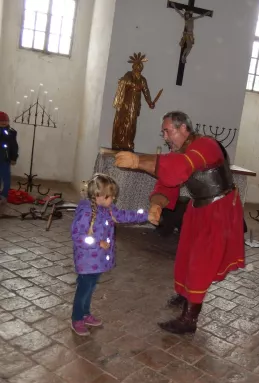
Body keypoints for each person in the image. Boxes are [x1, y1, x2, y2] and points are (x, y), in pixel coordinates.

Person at [115, 111, 245, 334]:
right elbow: (168, 182)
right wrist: (157, 204)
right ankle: (185, 293)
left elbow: (180, 167)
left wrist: (139, 161)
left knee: (200, 262)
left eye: (169, 131)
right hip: (199, 208)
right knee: (186, 254)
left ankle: (189, 319)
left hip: (219, 210)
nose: (165, 137)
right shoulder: (182, 151)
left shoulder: (206, 145)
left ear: (184, 128)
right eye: (163, 132)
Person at [70, 173, 154, 336]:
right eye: (110, 196)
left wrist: (146, 215)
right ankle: (77, 318)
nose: (113, 199)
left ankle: (85, 314)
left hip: (97, 260)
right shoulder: (86, 212)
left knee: (90, 288)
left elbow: (123, 215)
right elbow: (77, 235)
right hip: (87, 260)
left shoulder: (107, 208)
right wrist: (96, 242)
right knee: (84, 289)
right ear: (98, 196)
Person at [112, 52, 159, 151]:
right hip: (126, 104)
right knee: (121, 122)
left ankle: (128, 142)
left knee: (132, 123)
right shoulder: (129, 75)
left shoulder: (143, 79)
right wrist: (133, 85)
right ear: (134, 66)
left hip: (135, 105)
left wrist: (150, 102)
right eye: (137, 65)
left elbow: (146, 92)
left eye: (140, 65)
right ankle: (118, 142)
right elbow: (124, 81)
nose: (138, 67)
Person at [0, 112, 18, 213]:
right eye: (1, 121)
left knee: (6, 178)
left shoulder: (11, 132)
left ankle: (4, 195)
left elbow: (14, 146)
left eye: (5, 121)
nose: (3, 122)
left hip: (5, 159)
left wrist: (14, 158)